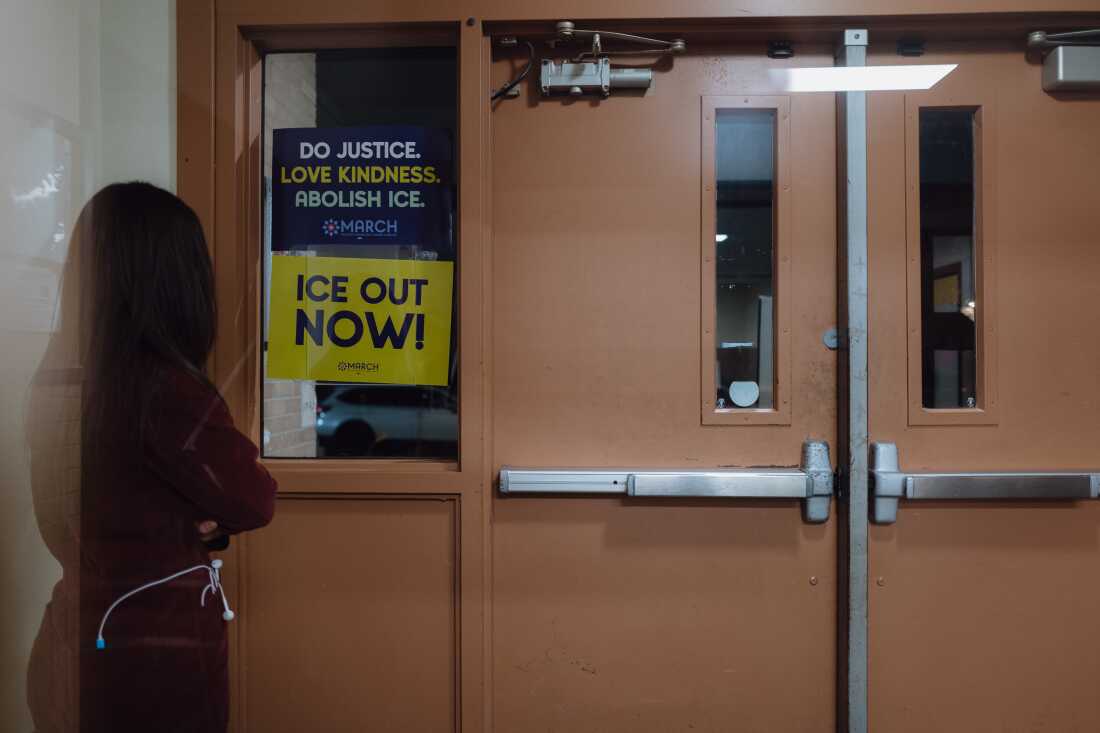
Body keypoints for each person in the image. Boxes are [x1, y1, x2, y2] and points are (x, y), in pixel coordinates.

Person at [26, 182, 277, 732]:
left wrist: (186, 519)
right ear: (176, 282)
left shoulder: (57, 381)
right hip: (155, 657)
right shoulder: (165, 391)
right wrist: (199, 518)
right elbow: (253, 498)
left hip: (71, 636)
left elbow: (79, 509)